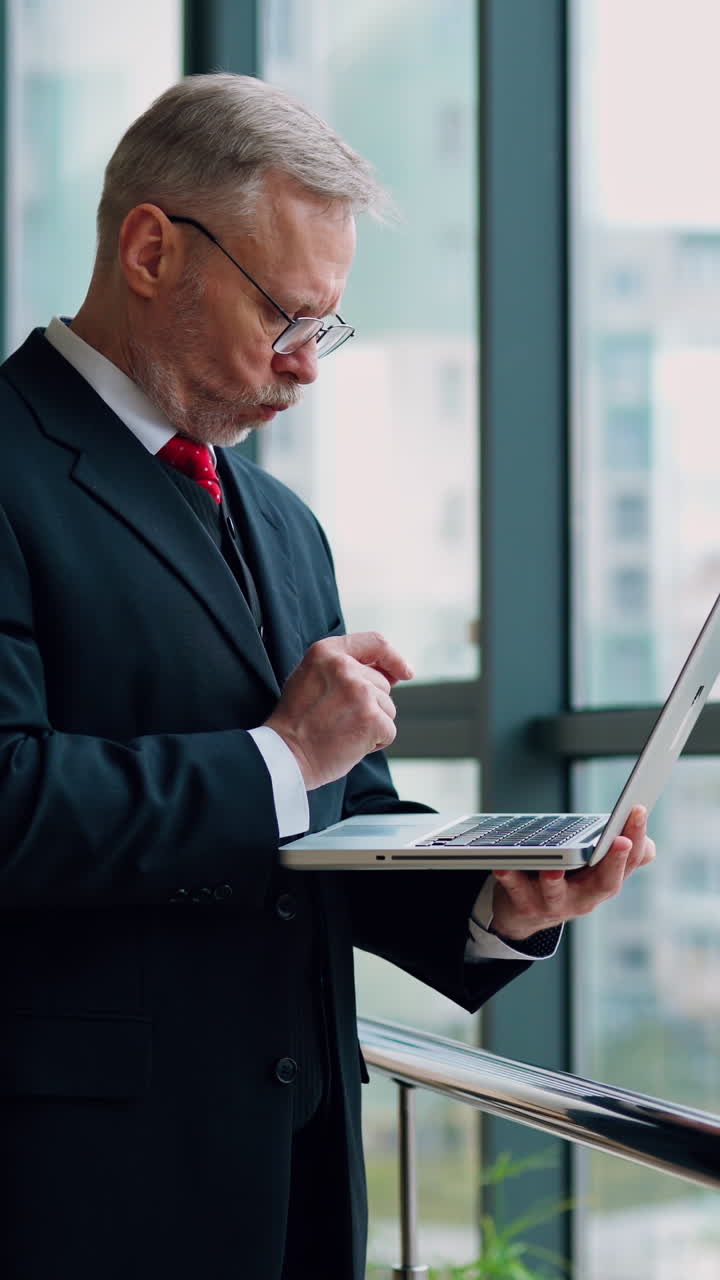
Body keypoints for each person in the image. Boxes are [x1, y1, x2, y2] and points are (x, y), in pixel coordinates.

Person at [0, 74, 654, 1280]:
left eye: (325, 327)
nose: (308, 366)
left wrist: (494, 902)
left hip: (295, 1168)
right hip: (82, 1185)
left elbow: (330, 825)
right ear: (150, 248)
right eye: (286, 317)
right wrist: (283, 754)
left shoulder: (282, 520)